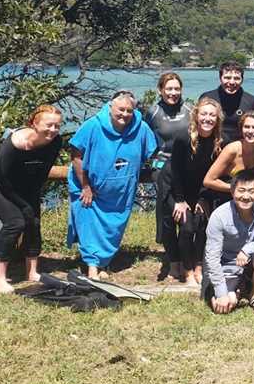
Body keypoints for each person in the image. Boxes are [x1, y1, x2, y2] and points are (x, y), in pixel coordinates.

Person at [67, 91, 157, 279]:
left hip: (121, 191)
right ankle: (92, 265)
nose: (124, 114)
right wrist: (85, 185)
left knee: (113, 228)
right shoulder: (92, 125)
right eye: (120, 109)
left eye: (129, 111)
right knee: (89, 225)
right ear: (110, 107)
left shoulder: (141, 128)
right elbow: (75, 155)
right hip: (90, 188)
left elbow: (153, 154)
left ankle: (103, 263)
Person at [0, 105, 63, 293]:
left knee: (33, 220)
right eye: (48, 125)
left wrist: (31, 202)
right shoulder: (15, 143)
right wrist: (22, 204)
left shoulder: (55, 142)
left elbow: (42, 171)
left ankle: (32, 272)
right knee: (15, 222)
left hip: (22, 181)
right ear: (34, 123)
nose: (53, 130)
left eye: (57, 126)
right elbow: (5, 180)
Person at [203, 169, 254, 314]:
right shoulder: (219, 216)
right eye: (241, 190)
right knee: (225, 305)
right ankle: (238, 290)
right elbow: (212, 257)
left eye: (252, 191)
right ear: (232, 192)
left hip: (252, 263)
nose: (246, 196)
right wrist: (221, 294)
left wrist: (249, 248)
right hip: (228, 267)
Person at [164, 97, 224, 285]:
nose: (207, 119)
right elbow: (176, 171)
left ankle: (199, 266)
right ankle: (188, 270)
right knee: (187, 227)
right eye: (204, 114)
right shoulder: (183, 138)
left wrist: (203, 198)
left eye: (212, 115)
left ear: (217, 119)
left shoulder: (220, 141)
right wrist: (181, 201)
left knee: (203, 226)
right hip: (178, 189)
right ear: (196, 116)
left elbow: (216, 173)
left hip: (203, 191)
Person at [144, 72, 192, 281]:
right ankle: (174, 264)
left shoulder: (190, 109)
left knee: (186, 218)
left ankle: (187, 260)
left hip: (184, 168)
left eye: (176, 89)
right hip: (161, 168)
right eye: (169, 89)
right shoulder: (153, 112)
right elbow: (142, 138)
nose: (173, 93)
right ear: (160, 90)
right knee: (168, 216)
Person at [202, 112, 254, 199]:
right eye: (246, 127)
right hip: (224, 197)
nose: (250, 131)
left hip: (249, 198)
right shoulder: (232, 150)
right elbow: (208, 181)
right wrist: (238, 189)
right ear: (241, 129)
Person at [199, 61, 254, 145]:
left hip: (240, 151)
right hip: (211, 148)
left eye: (236, 78)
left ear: (242, 80)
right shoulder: (207, 98)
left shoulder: (253, 102)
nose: (232, 82)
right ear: (220, 78)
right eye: (227, 78)